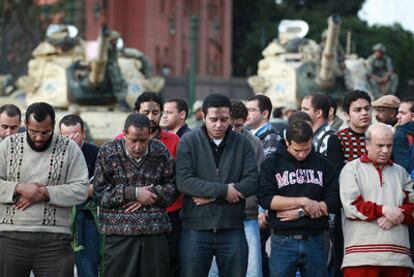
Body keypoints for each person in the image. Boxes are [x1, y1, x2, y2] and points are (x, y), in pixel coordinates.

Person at [0, 102, 89, 277]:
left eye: (45, 132)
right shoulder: (7, 145)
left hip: (55, 240)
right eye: (34, 132)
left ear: (53, 126)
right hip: (10, 237)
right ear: (25, 125)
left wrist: (45, 193)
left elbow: (81, 189)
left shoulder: (70, 149)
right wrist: (20, 188)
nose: (39, 137)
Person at [176, 93, 259, 277]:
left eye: (224, 119)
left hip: (232, 227)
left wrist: (212, 195)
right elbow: (184, 181)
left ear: (230, 117)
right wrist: (225, 190)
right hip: (196, 229)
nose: (219, 125)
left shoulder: (243, 143)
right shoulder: (189, 142)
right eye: (213, 119)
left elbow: (252, 182)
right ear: (203, 116)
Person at [93, 113, 177, 277]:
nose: (138, 146)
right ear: (124, 134)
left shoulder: (161, 151)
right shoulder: (108, 152)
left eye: (143, 140)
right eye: (133, 140)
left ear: (150, 135)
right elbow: (99, 193)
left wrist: (149, 194)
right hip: (118, 236)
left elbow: (173, 189)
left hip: (154, 234)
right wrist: (133, 193)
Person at [258, 120, 340, 277]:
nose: (302, 154)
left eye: (307, 149)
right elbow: (266, 199)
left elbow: (334, 201)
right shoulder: (272, 163)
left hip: (316, 239)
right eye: (297, 150)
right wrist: (304, 201)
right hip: (283, 240)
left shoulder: (323, 164)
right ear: (287, 141)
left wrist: (302, 212)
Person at [339, 123, 414, 277]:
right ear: (367, 144)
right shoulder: (351, 169)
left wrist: (395, 217)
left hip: (398, 257)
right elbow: (351, 206)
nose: (385, 150)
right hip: (360, 258)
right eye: (380, 145)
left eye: (389, 145)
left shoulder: (401, 173)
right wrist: (385, 210)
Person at [124, 91, 181, 276]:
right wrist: (136, 194)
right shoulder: (120, 141)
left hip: (168, 215)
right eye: (145, 112)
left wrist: (147, 196)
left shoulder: (174, 141)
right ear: (136, 112)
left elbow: (177, 179)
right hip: (129, 216)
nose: (150, 117)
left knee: (165, 267)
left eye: (155, 112)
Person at [209, 100, 265, 277]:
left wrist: (261, 209)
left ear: (245, 121)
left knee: (252, 270)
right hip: (215, 214)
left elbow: (258, 178)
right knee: (214, 271)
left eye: (238, 126)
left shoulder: (254, 143)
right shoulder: (210, 142)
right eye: (230, 125)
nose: (234, 130)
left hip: (247, 214)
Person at [59, 114, 100, 277]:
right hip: (61, 217)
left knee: (88, 267)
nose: (71, 139)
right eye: (66, 136)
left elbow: (101, 184)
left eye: (75, 134)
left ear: (83, 133)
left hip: (87, 216)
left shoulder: (96, 152)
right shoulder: (54, 153)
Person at [246, 94, 281, 277]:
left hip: (261, 210)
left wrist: (261, 209)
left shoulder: (271, 138)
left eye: (252, 110)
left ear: (265, 113)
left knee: (257, 257)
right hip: (249, 208)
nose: (247, 114)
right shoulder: (250, 136)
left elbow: (265, 177)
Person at [301, 93, 344, 172]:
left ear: (319, 113)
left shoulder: (330, 138)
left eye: (305, 109)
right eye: (301, 109)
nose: (301, 112)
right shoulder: (309, 135)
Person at [337, 90, 372, 163]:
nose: (364, 113)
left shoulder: (379, 136)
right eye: (358, 110)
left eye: (367, 109)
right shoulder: (339, 139)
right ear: (347, 115)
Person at [393, 97, 414, 171]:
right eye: (398, 112)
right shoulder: (399, 136)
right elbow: (403, 170)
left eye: (403, 113)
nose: (397, 116)